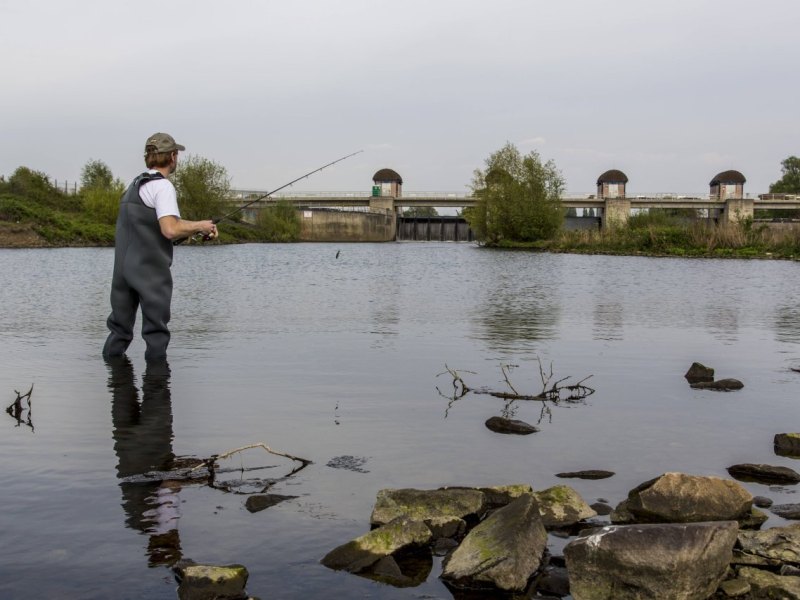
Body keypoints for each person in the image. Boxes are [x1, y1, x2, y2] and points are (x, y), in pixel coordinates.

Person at [102, 132, 218, 361]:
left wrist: (194, 229)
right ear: (173, 156)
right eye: (177, 154)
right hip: (150, 272)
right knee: (156, 334)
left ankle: (115, 389)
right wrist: (201, 225)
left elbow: (151, 231)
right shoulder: (162, 187)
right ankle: (157, 392)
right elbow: (170, 229)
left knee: (119, 332)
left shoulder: (135, 185)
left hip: (123, 273)